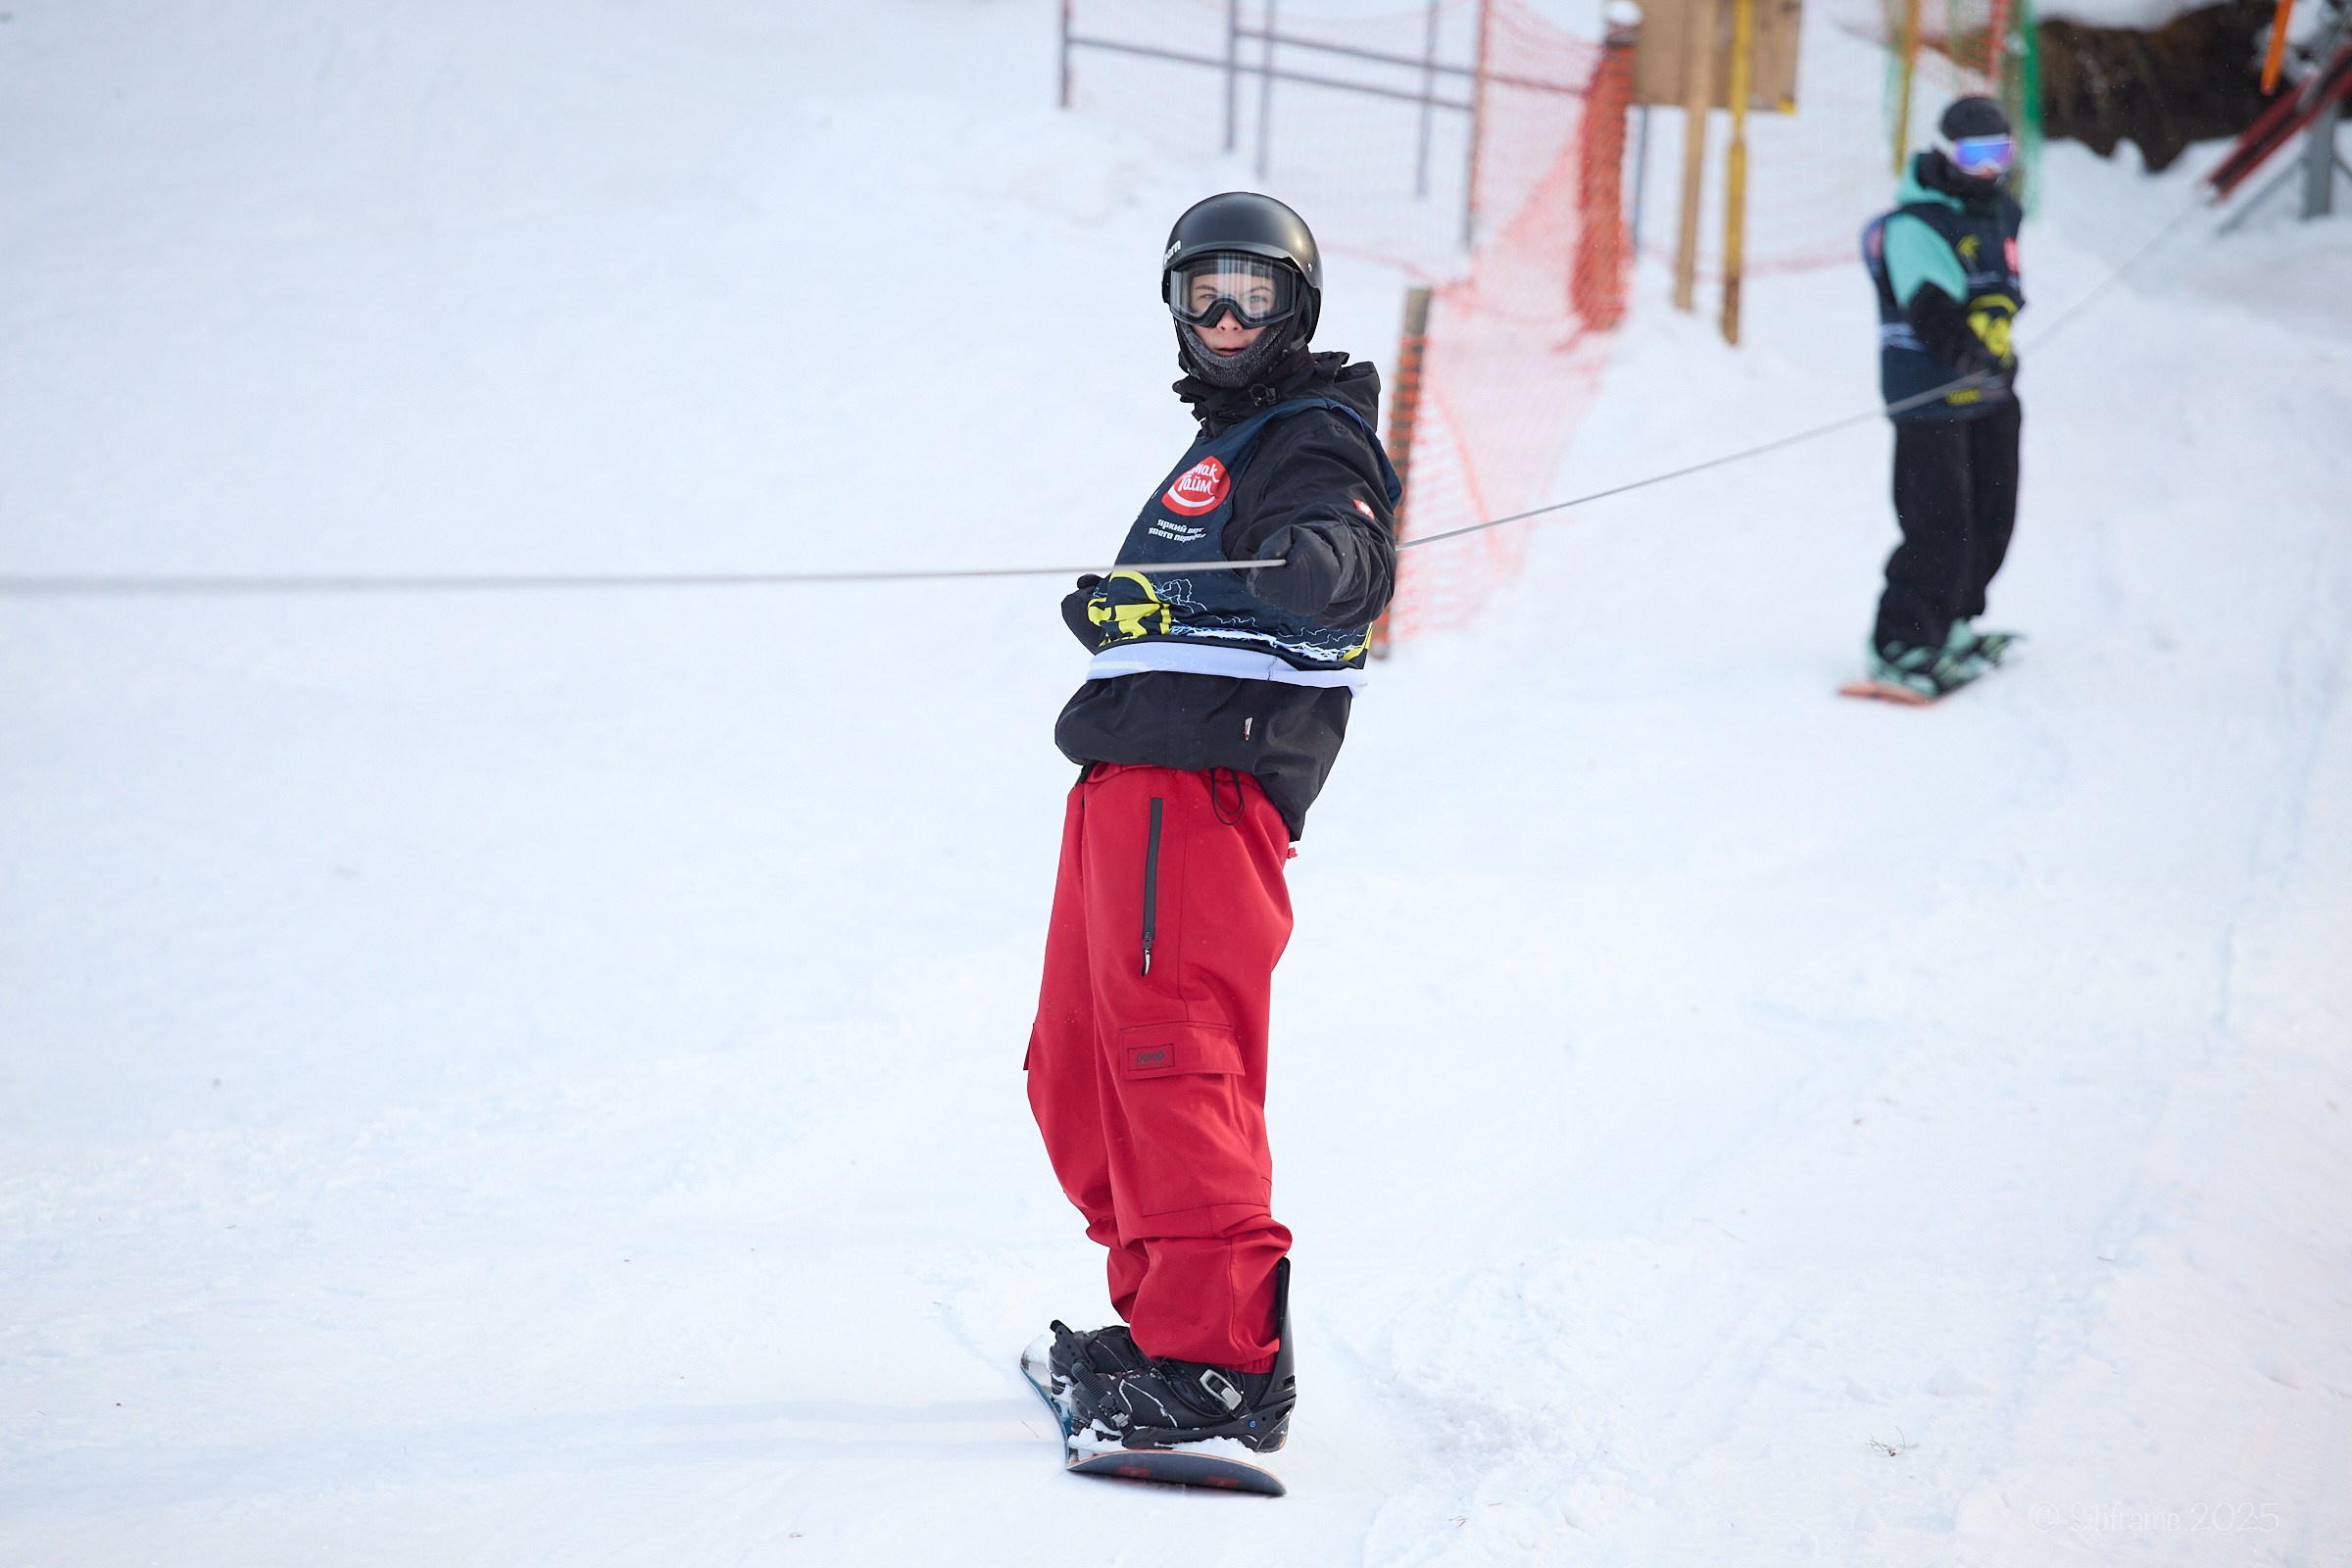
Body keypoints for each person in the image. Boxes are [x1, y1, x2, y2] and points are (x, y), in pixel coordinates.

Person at [1019, 192, 1399, 1454]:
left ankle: (1221, 1359)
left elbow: (1341, 563)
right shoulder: (1229, 442)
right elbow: (1199, 595)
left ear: (1301, 308)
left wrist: (1313, 566)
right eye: (1203, 295)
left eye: (1255, 293)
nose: (1227, 318)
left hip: (1201, 794)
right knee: (1077, 1073)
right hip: (1128, 786)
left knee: (1171, 1061)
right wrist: (1135, 618)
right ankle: (1163, 1319)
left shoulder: (1316, 436)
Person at [1859, 95, 2028, 699]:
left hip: (1991, 391)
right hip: (1930, 395)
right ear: (1943, 151)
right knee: (1939, 521)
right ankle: (1900, 639)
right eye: (1974, 155)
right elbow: (1930, 308)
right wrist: (1970, 359)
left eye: (1999, 154)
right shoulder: (1915, 226)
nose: (1988, 168)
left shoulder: (2000, 213)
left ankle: (1952, 622)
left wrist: (1999, 362)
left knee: (1992, 515)